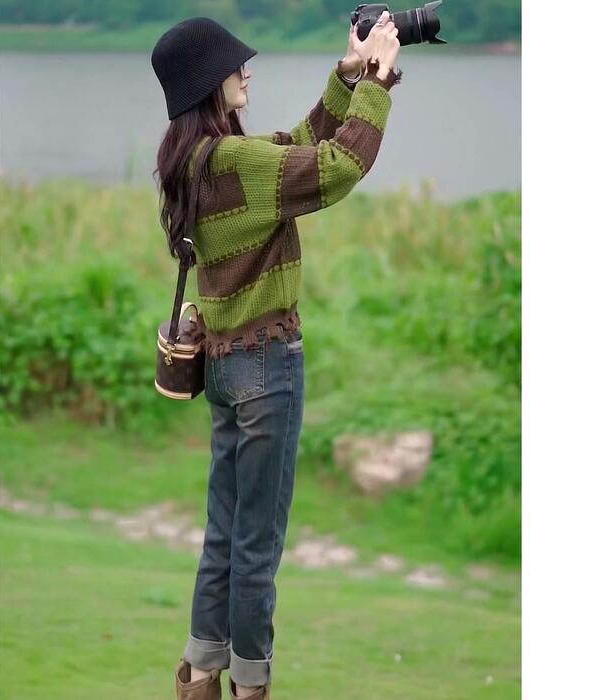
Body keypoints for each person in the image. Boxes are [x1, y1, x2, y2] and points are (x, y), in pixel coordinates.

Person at [151, 13, 401, 700]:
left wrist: (345, 79)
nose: (247, 71)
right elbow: (336, 168)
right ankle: (250, 686)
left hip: (226, 370)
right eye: (236, 65)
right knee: (257, 544)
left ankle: (201, 673)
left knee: (225, 534)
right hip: (268, 368)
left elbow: (296, 149)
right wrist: (379, 82)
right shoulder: (238, 164)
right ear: (210, 82)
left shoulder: (193, 163)